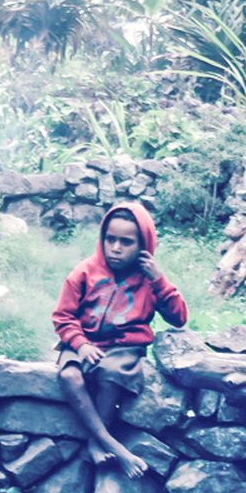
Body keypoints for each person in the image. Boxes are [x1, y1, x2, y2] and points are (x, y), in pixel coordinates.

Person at [52, 201, 188, 476]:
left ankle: (95, 443)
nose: (115, 247)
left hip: (123, 349)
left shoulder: (149, 281)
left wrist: (160, 280)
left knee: (111, 374)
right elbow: (63, 317)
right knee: (69, 377)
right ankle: (111, 444)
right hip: (82, 342)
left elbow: (179, 317)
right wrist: (81, 344)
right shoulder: (84, 272)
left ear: (143, 245)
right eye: (110, 239)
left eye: (126, 242)